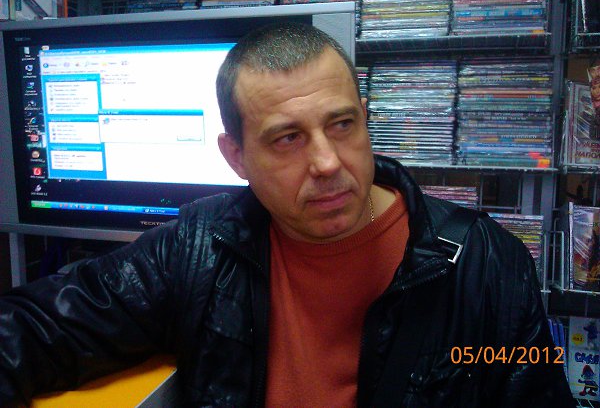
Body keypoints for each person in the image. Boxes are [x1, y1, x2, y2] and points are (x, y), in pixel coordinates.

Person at [0, 22, 574, 407]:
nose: (327, 162)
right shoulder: (201, 248)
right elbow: (38, 328)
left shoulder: (484, 264)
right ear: (235, 157)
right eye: (287, 138)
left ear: (365, 119)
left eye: (342, 124)